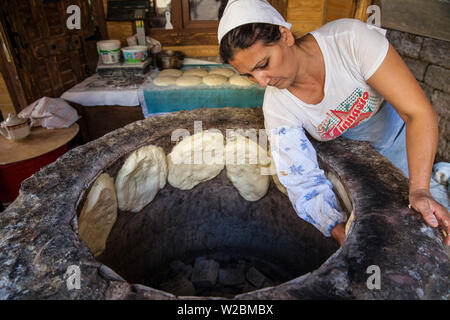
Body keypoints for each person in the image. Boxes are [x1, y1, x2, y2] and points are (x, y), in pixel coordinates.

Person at [218, 0, 449, 246]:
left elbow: (417, 113)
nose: (262, 82)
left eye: (263, 65)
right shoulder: (278, 107)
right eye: (250, 76)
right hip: (354, 167)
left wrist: (420, 190)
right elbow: (301, 178)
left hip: (399, 145)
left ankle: (435, 177)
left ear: (284, 35)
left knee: (435, 229)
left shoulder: (350, 41)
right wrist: (336, 227)